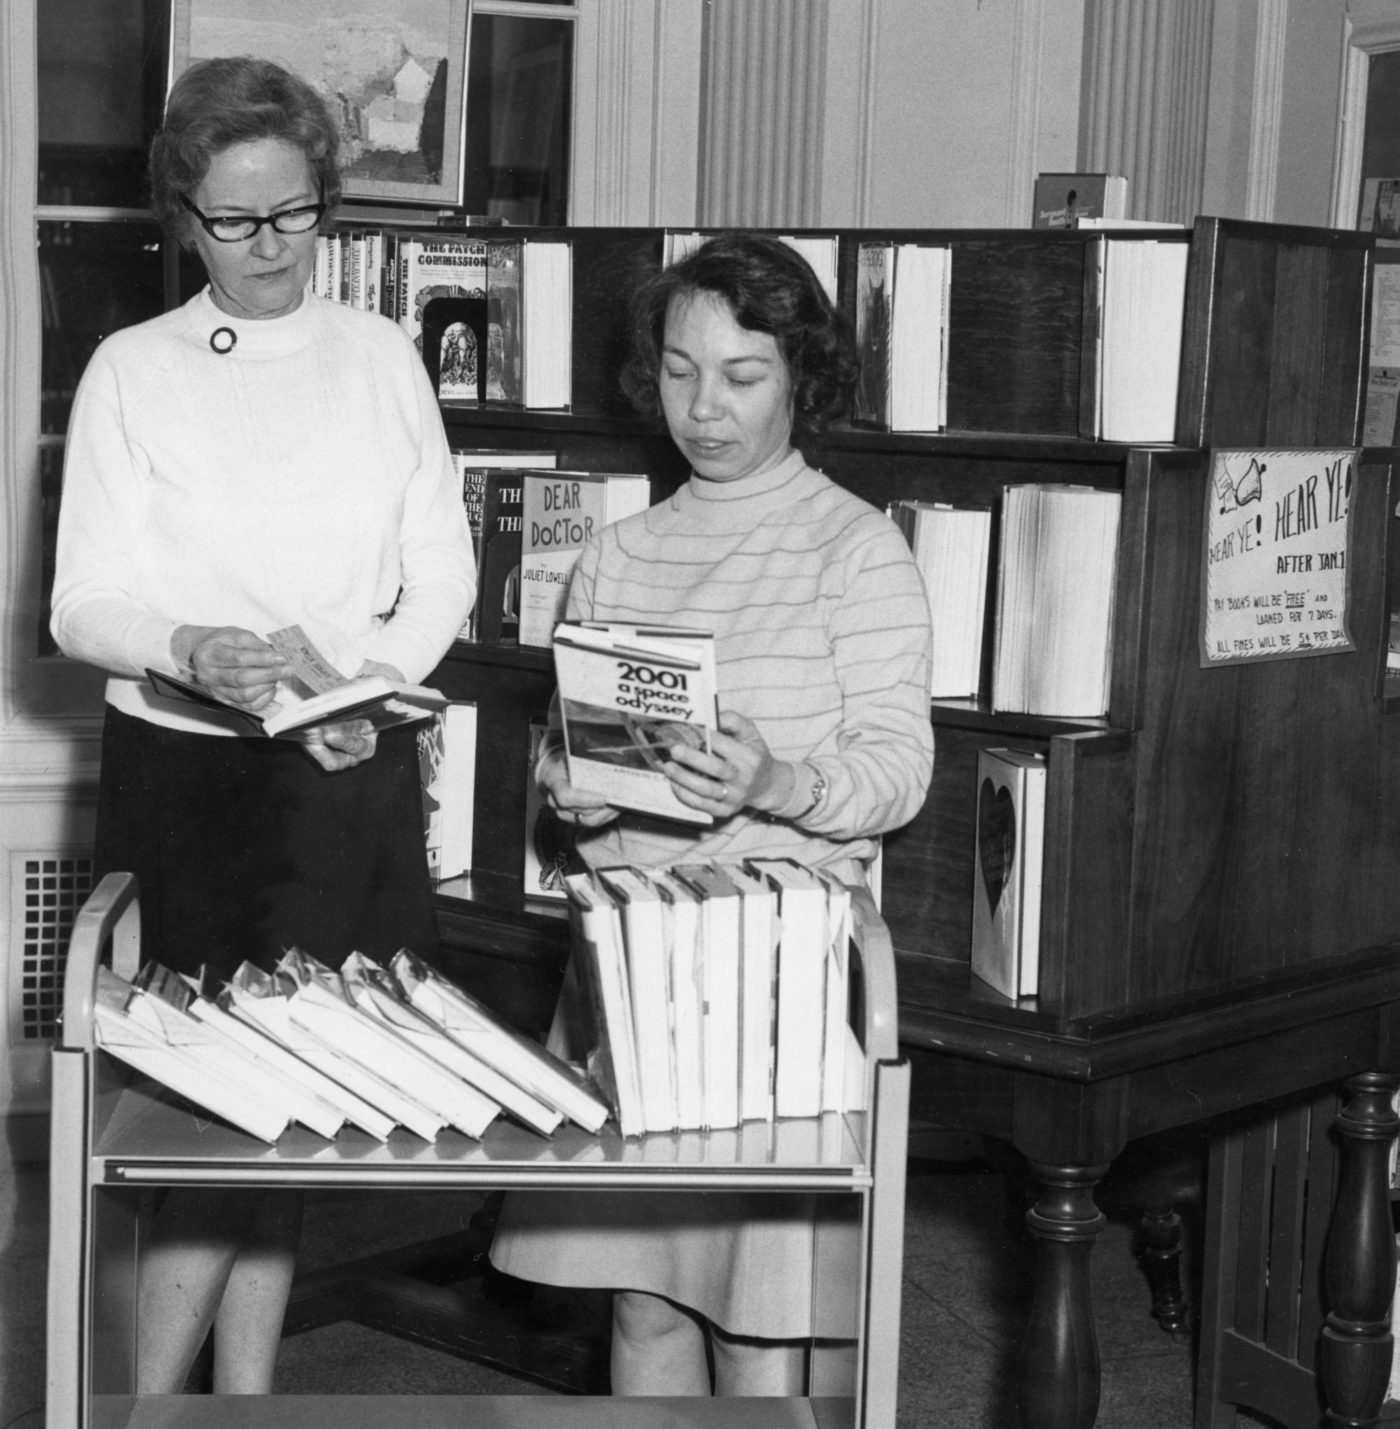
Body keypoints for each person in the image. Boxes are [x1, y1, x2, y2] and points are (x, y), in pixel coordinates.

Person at [49, 56, 475, 1394]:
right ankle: (133, 1410)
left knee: (306, 1111)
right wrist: (192, 647)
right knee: (205, 1127)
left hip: (346, 761)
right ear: (186, 217)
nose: (270, 247)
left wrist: (373, 687)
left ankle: (246, 1405)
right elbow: (82, 604)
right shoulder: (135, 368)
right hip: (192, 779)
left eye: (294, 212)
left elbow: (442, 571)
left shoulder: (381, 354)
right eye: (234, 222)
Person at [488, 231, 933, 1395]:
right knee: (638, 1307)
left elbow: (896, 767)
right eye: (679, 371)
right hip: (635, 965)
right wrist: (569, 795)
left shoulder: (857, 549)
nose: (704, 406)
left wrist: (775, 781)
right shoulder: (617, 555)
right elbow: (580, 776)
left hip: (777, 974)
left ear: (801, 378)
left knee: (760, 1329)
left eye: (741, 376)